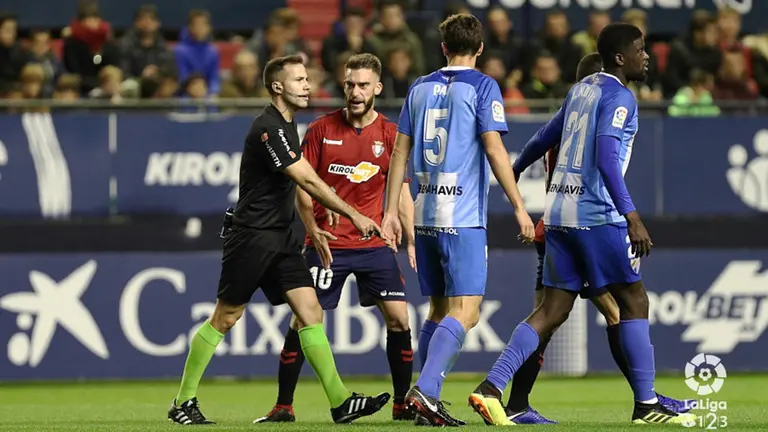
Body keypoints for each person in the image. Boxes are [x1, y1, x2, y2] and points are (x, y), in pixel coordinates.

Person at [467, 24, 698, 426]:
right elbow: (608, 159)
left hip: (558, 217)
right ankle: (646, 405)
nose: (647, 56)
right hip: (597, 218)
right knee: (634, 301)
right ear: (621, 58)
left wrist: (516, 170)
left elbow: (544, 136)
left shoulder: (582, 89)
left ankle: (491, 388)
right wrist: (633, 218)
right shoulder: (620, 96)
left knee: (551, 311)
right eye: (641, 50)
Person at [167, 55, 390, 426]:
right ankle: (183, 401)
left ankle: (340, 402)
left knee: (310, 312)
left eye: (307, 78)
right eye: (299, 80)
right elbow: (308, 179)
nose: (307, 85)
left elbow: (304, 186)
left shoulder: (288, 126)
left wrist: (313, 220)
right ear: (277, 87)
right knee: (226, 317)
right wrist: (353, 213)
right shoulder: (268, 129)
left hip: (281, 238)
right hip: (252, 237)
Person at [380, 14, 535, 427]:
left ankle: (422, 397)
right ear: (480, 48)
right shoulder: (483, 86)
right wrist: (519, 205)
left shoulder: (419, 86)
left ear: (443, 47)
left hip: (426, 213)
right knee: (466, 312)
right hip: (462, 216)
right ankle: (426, 393)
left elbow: (399, 152)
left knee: (437, 309)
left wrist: (391, 209)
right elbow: (494, 148)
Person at [254, 53, 417, 424]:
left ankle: (402, 403)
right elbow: (302, 184)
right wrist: (311, 228)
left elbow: (401, 190)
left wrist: (410, 237)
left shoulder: (391, 135)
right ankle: (284, 405)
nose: (355, 92)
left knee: (399, 319)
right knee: (303, 320)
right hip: (329, 244)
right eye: (349, 84)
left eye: (363, 85)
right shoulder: (321, 130)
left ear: (377, 88)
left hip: (374, 243)